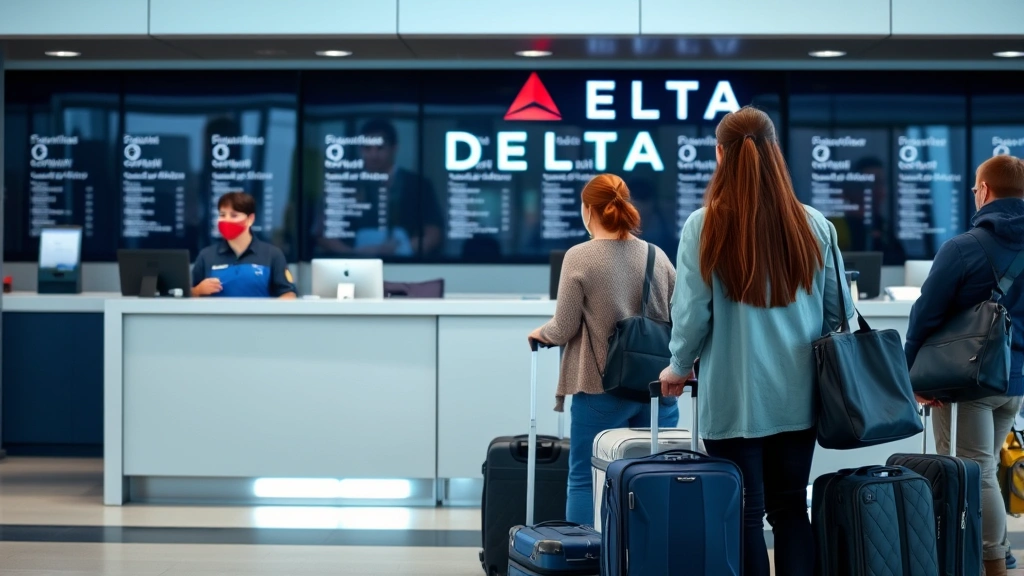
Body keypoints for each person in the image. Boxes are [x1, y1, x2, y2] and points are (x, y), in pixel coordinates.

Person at [658, 106, 853, 576]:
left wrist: (677, 366)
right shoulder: (814, 224)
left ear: (720, 155)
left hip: (734, 397)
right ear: (775, 153)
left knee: (742, 512)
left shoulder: (703, 225)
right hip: (800, 396)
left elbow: (691, 315)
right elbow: (838, 314)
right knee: (790, 510)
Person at [527, 173, 678, 526]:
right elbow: (680, 319)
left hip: (600, 389)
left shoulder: (579, 257)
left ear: (588, 210)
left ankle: (588, 560)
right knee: (654, 481)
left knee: (585, 478)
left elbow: (562, 328)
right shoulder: (657, 256)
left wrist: (540, 334)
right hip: (657, 391)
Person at [905, 154, 1024, 576]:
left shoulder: (963, 247)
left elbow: (925, 315)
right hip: (1014, 384)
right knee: (985, 468)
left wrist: (910, 373)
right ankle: (989, 556)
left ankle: (993, 564)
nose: (975, 194)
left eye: (976, 187)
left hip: (966, 381)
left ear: (985, 190)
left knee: (976, 475)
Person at [191, 192, 297, 299]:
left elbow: (288, 293)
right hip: (218, 316)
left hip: (258, 315)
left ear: (250, 219)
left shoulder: (272, 254)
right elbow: (186, 294)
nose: (227, 220)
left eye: (234, 215)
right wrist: (198, 290)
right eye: (222, 215)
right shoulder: (206, 256)